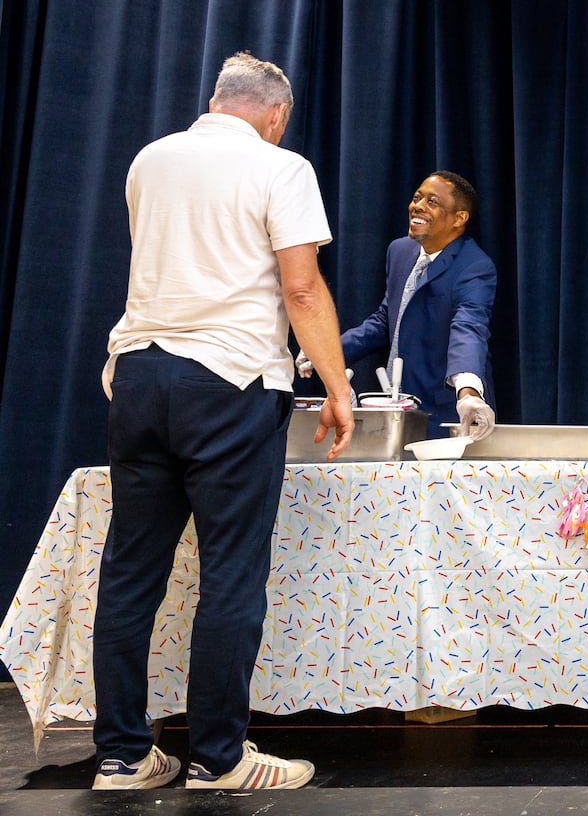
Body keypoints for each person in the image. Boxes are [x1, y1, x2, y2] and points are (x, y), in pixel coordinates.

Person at [93, 52, 354, 791]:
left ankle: (121, 755)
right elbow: (300, 289)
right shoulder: (282, 168)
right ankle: (218, 758)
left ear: (215, 101)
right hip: (228, 381)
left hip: (139, 376)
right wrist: (336, 386)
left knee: (130, 575)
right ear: (275, 115)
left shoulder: (151, 160)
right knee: (231, 573)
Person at [302, 171, 496, 439]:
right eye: (417, 198)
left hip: (446, 415)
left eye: (432, 202)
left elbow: (468, 328)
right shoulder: (400, 251)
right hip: (397, 410)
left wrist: (468, 393)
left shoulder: (474, 266)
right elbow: (387, 319)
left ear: (459, 218)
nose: (418, 205)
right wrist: (326, 352)